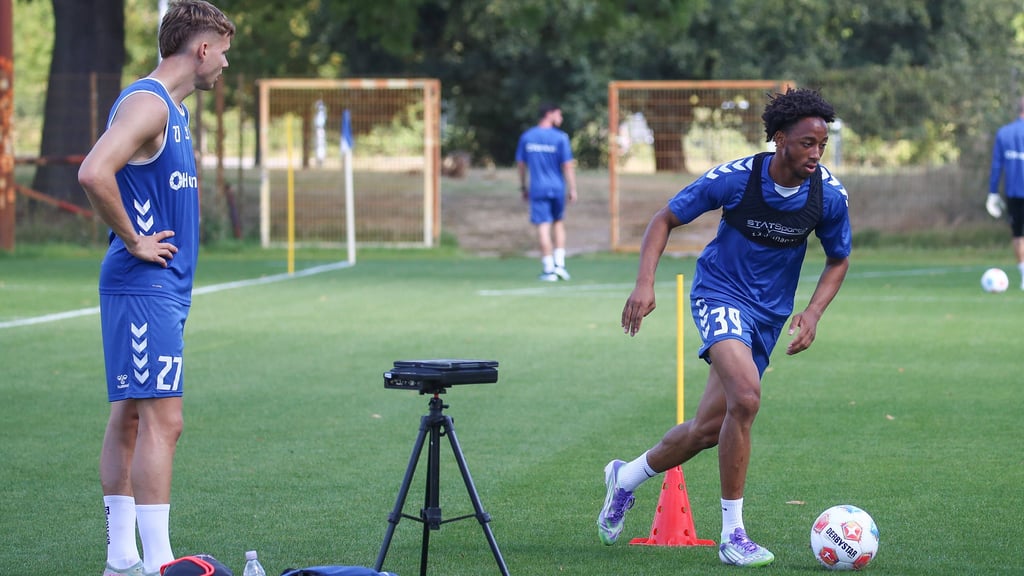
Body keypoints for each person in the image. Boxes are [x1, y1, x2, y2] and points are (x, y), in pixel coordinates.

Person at [597, 88, 852, 567]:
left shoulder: (828, 196)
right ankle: (733, 535)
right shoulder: (736, 179)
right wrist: (644, 284)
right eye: (806, 143)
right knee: (748, 398)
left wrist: (814, 312)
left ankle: (624, 478)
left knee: (708, 430)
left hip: (769, 316)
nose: (816, 153)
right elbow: (664, 219)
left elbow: (838, 259)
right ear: (780, 139)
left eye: (821, 144)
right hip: (720, 295)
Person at [77, 2, 234, 575]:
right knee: (164, 421)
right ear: (201, 49)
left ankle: (122, 559)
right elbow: (93, 171)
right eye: (223, 52)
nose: (224, 64)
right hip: (144, 287)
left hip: (155, 290)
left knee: (131, 417)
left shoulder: (172, 109)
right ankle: (160, 563)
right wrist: (135, 240)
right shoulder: (149, 103)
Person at [516, 103, 578, 281]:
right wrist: (572, 188)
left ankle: (548, 269)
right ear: (549, 114)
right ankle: (560, 266)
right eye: (559, 114)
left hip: (537, 188)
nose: (561, 118)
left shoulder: (527, 136)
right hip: (557, 187)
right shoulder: (561, 137)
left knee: (543, 226)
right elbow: (567, 165)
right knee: (558, 223)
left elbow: (521, 165)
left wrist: (523, 186)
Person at [986, 96, 1024, 290]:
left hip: (1014, 193)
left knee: (1018, 234)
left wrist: (992, 192)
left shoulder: (1004, 133)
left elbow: (996, 166)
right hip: (1016, 192)